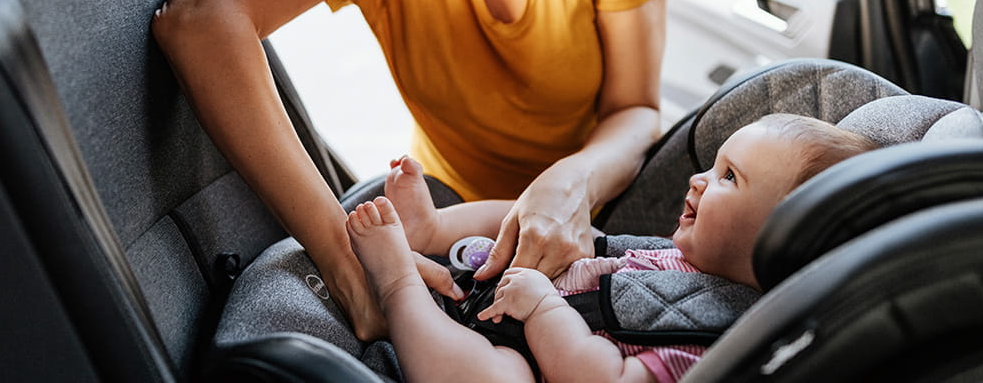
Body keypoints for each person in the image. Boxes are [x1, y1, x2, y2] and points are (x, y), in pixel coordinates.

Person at [152, 0, 679, 340]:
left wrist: (571, 183)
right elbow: (200, 17)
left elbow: (635, 110)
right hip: (455, 205)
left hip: (603, 194)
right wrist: (345, 263)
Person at [346, 114, 880, 382]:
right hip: (515, 287)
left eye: (728, 178)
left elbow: (606, 376)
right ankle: (431, 231)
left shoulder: (714, 341)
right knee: (532, 216)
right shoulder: (683, 258)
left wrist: (543, 308)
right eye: (711, 165)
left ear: (781, 238)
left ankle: (395, 289)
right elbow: (601, 260)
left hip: (528, 355)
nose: (696, 180)